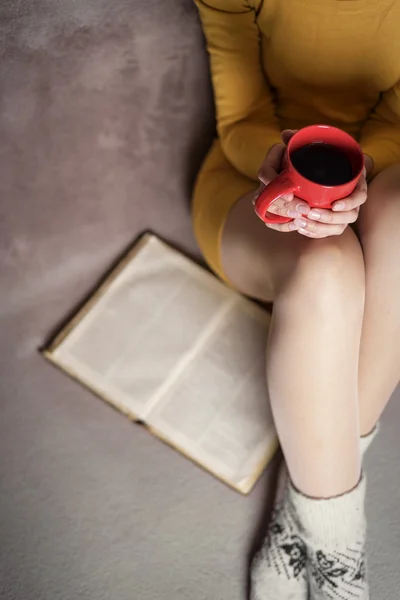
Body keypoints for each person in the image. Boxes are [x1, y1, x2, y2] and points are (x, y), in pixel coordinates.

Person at [192, 1, 400, 599]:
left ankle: (299, 511)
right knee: (325, 269)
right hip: (250, 181)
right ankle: (342, 565)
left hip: (371, 188)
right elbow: (239, 121)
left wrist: (360, 174)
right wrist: (282, 167)